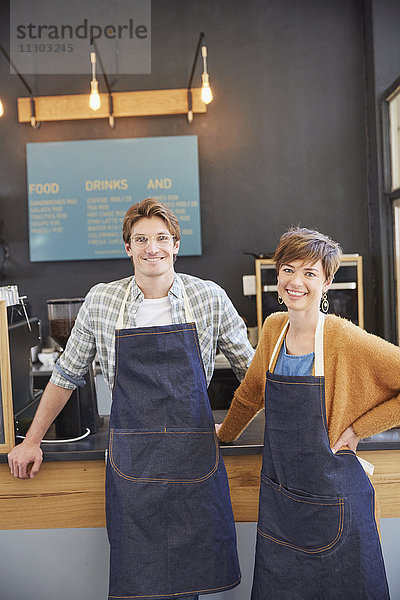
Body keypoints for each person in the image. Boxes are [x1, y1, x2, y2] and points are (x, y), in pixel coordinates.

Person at [8, 198, 255, 600]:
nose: (151, 247)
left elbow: (253, 373)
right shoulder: (102, 300)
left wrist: (232, 427)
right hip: (132, 462)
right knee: (141, 583)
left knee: (188, 585)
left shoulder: (209, 297)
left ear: (176, 244)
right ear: (128, 247)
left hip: (194, 456)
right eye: (141, 239)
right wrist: (32, 440)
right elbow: (67, 374)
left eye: (161, 238)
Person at [216, 226, 400, 600]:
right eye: (288, 269)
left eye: (309, 273)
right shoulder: (273, 329)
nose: (295, 281)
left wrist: (358, 428)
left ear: (327, 282)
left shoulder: (342, 337)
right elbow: (251, 394)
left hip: (336, 500)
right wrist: (223, 435)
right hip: (282, 502)